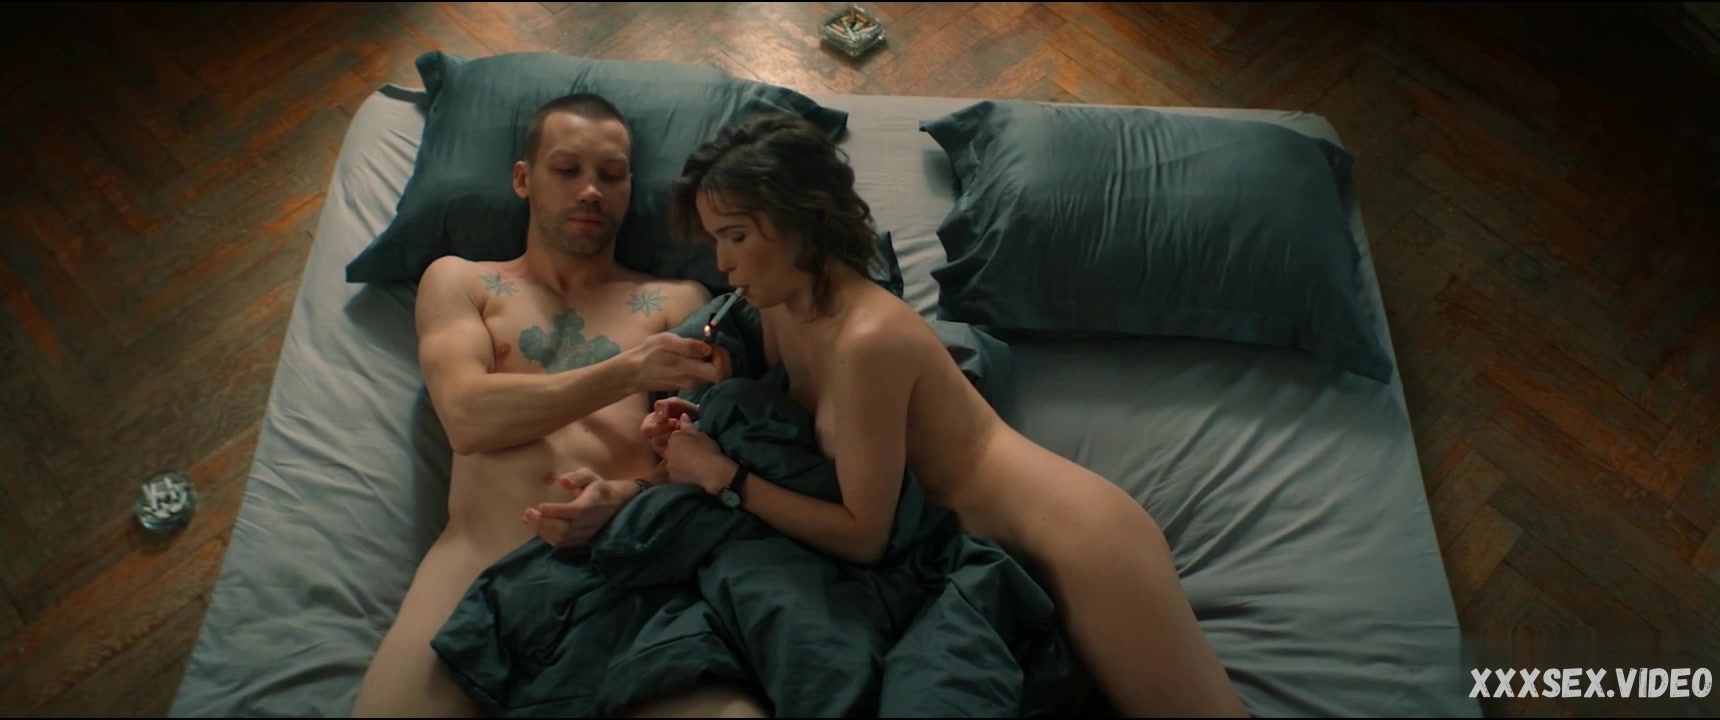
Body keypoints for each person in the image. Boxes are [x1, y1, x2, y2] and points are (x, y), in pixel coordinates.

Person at [645, 111, 1253, 718]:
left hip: (1076, 544)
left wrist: (722, 477)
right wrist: (702, 415)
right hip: (979, 563)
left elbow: (862, 535)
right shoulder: (776, 306)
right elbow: (796, 425)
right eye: (715, 239)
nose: (722, 264)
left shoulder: (868, 339)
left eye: (736, 237)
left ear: (801, 219)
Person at [350, 92, 764, 719]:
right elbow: (467, 417)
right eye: (567, 170)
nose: (591, 191)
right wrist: (629, 370)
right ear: (523, 179)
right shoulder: (461, 281)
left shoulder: (677, 301)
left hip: (623, 567)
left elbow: (709, 459)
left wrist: (625, 496)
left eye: (612, 175)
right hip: (476, 562)